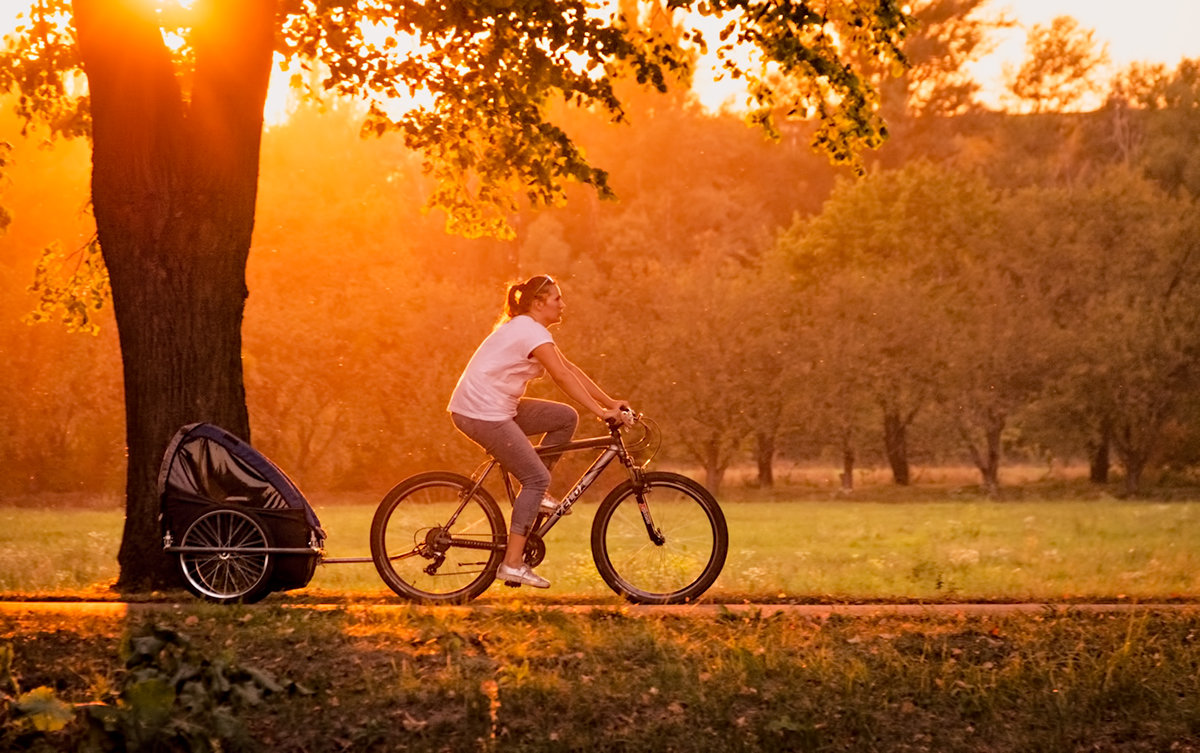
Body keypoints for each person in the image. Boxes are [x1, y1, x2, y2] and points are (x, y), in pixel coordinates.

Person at [448, 274, 631, 589]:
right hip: (480, 413)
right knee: (535, 478)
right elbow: (560, 376)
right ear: (538, 302)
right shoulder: (528, 331)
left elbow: (569, 369)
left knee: (563, 418)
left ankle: (535, 496)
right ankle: (512, 563)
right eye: (557, 298)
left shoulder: (530, 330)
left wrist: (609, 401)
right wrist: (602, 413)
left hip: (496, 407)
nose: (563, 304)